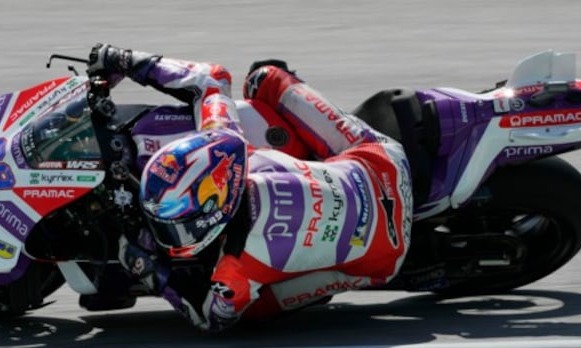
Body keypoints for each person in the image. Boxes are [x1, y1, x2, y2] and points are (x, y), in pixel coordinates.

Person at [87, 43, 413, 332]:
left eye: (178, 223)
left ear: (216, 213)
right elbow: (212, 78)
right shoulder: (231, 147)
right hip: (382, 165)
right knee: (264, 77)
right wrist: (126, 60)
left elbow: (211, 318)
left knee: (250, 311)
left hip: (383, 260)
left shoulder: (237, 267)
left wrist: (148, 268)